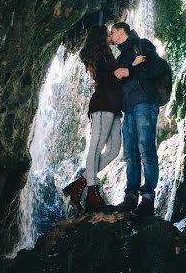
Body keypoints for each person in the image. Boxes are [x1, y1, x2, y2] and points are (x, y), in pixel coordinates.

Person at [61, 25, 124, 212]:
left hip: (113, 107)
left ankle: (79, 184)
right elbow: (109, 78)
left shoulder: (106, 54)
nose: (109, 36)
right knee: (95, 147)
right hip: (103, 105)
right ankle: (92, 192)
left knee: (113, 150)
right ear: (100, 37)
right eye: (107, 34)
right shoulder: (101, 56)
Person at [108, 21, 165, 217]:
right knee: (131, 154)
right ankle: (131, 197)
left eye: (112, 31)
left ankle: (147, 198)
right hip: (128, 109)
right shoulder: (121, 56)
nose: (110, 35)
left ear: (122, 31)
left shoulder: (142, 45)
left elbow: (157, 68)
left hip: (145, 104)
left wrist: (130, 71)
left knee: (146, 150)